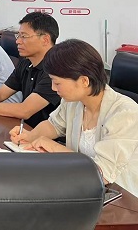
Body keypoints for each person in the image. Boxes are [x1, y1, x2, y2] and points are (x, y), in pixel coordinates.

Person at [10, 39, 138, 196]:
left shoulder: (125, 114)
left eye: (57, 83)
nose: (53, 88)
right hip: (82, 186)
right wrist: (30, 136)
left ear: (84, 81)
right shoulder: (73, 101)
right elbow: (54, 125)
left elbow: (102, 173)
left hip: (122, 197)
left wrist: (54, 147)